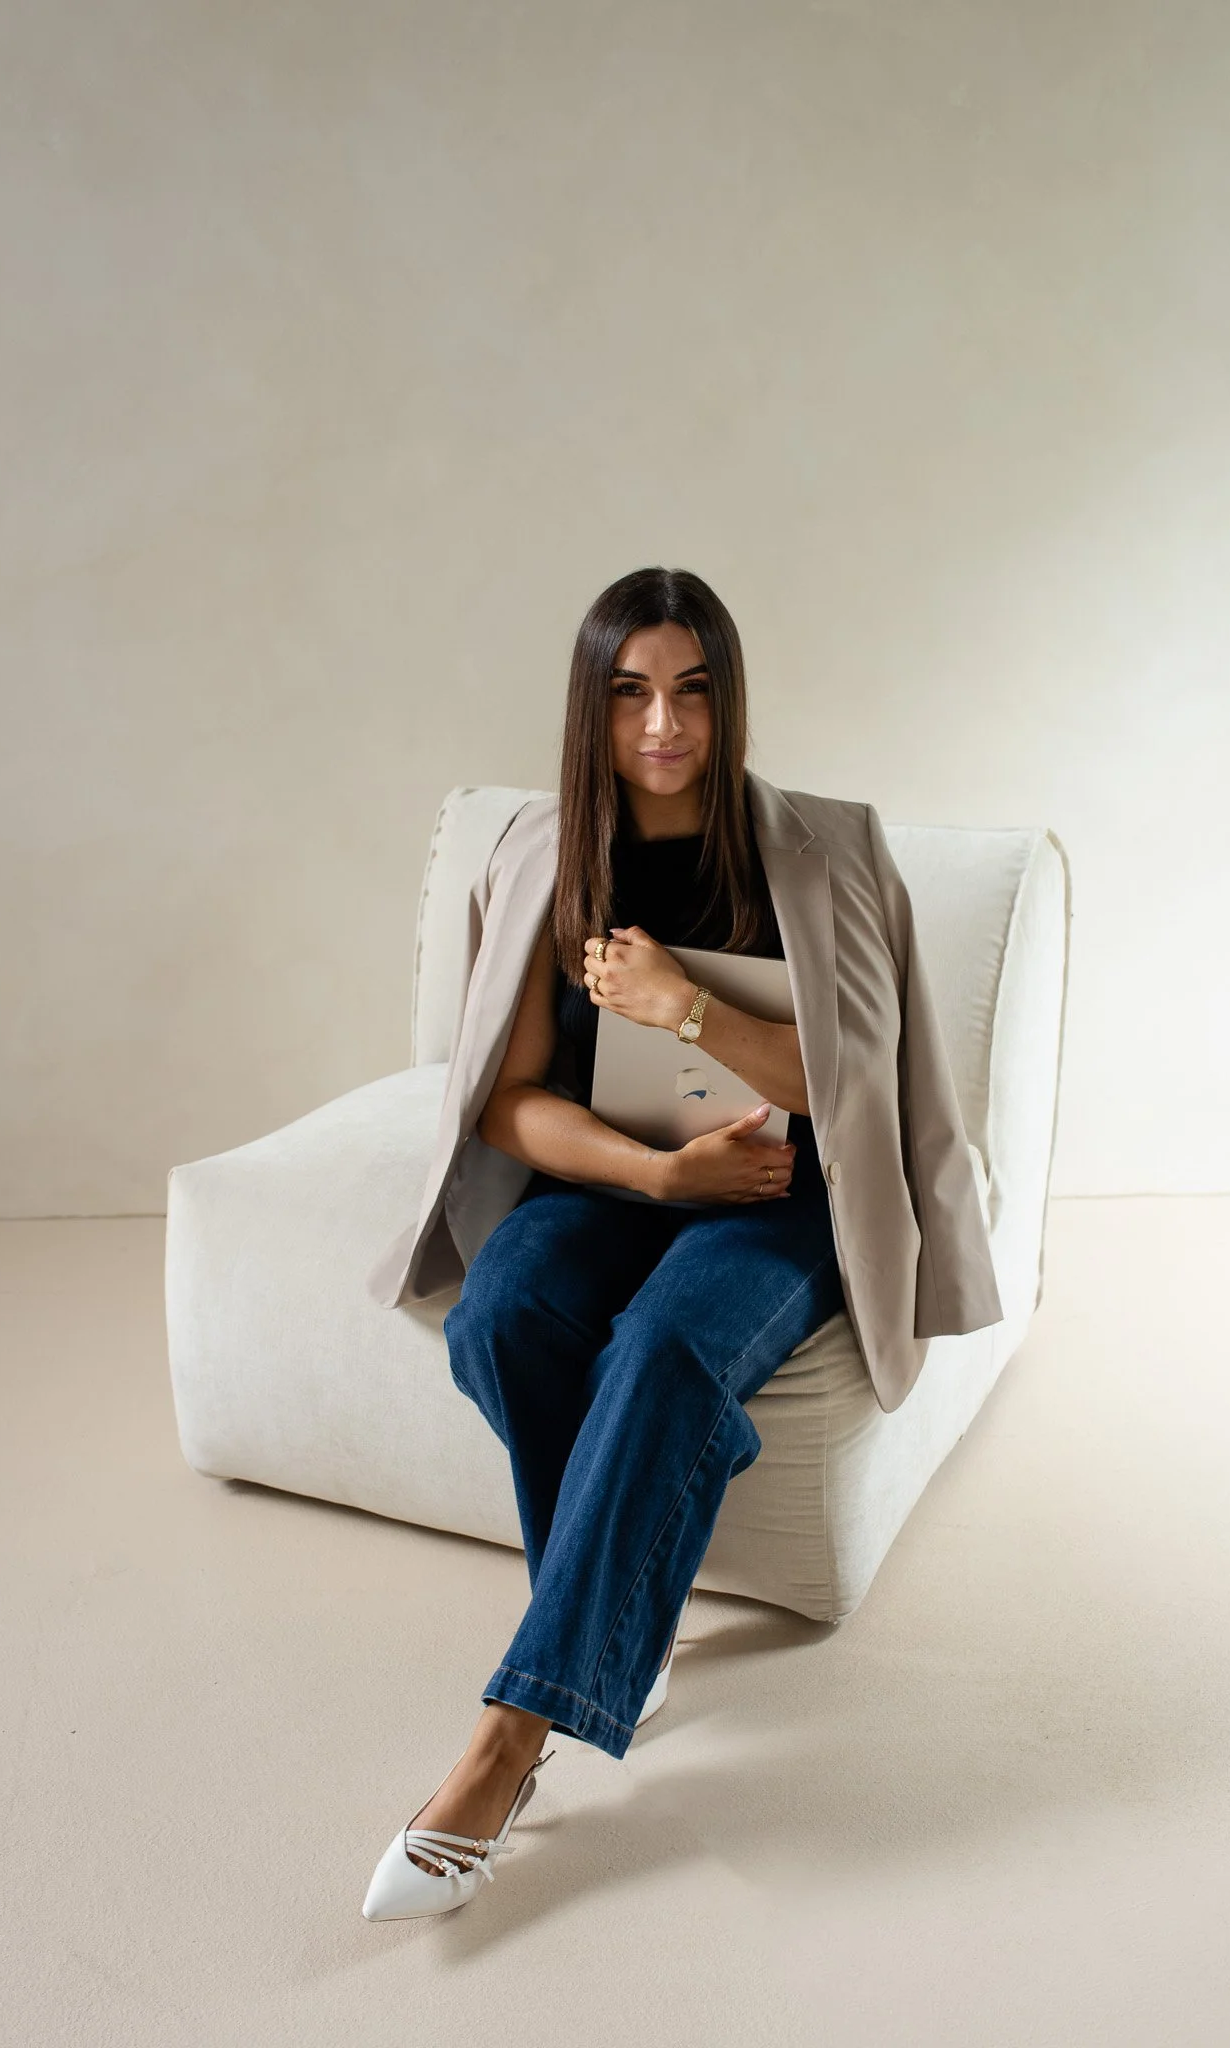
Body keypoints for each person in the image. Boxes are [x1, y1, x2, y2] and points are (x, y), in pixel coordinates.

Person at [362, 566, 997, 1922]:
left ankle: (503, 1746)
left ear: (730, 701)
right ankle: (620, 1619)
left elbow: (850, 1089)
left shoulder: (824, 845)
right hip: (622, 1175)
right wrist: (659, 1170)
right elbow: (517, 1100)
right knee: (499, 1317)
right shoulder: (541, 852)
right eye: (631, 691)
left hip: (781, 1187)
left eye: (693, 690)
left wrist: (681, 1007)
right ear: (591, 707)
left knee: (659, 1346)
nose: (664, 723)